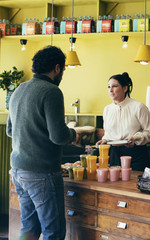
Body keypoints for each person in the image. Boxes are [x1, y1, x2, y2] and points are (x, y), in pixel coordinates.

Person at [6, 46, 77, 240]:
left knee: (29, 229)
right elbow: (58, 136)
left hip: (18, 171)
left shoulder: (19, 89)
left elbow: (10, 130)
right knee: (53, 232)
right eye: (62, 70)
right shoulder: (52, 91)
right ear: (56, 68)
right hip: (42, 173)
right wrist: (74, 134)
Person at [96, 72, 150, 171]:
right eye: (108, 87)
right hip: (113, 153)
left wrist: (135, 138)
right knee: (114, 185)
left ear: (125, 88)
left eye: (114, 86)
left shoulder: (139, 107)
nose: (110, 90)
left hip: (135, 153)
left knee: (134, 185)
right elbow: (108, 133)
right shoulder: (107, 109)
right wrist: (105, 140)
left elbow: (149, 133)